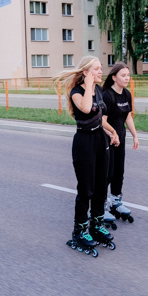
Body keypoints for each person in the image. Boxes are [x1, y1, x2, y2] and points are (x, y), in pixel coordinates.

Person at [55, 56, 119, 258]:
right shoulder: (77, 92)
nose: (102, 72)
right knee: (86, 190)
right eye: (97, 69)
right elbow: (85, 108)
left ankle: (96, 225)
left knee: (101, 186)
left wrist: (112, 132)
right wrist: (89, 85)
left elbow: (100, 118)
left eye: (101, 68)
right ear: (86, 72)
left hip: (100, 140)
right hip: (84, 143)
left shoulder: (99, 90)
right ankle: (79, 231)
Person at [102, 62, 139, 224]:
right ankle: (101, 205)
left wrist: (135, 136)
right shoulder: (107, 96)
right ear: (114, 77)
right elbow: (102, 121)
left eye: (128, 75)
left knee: (119, 172)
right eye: (123, 75)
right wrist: (112, 134)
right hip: (107, 140)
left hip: (120, 139)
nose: (127, 78)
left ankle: (116, 202)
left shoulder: (126, 94)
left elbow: (128, 117)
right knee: (107, 174)